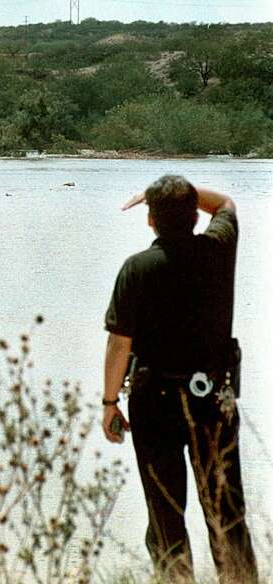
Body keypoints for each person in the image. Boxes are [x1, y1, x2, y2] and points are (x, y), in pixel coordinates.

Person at [102, 174, 258, 584]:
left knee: (166, 513)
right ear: (194, 215)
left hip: (154, 400)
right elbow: (225, 202)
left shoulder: (136, 268)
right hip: (214, 398)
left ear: (150, 220)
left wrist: (109, 403)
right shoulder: (218, 249)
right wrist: (182, 191)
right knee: (226, 513)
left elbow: (120, 344)